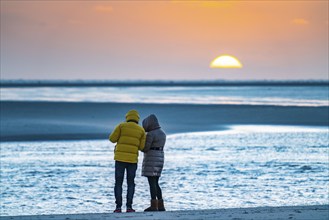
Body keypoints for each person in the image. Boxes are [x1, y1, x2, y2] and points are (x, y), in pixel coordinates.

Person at [109, 109, 146, 213]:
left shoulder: (121, 126)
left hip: (120, 158)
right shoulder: (141, 130)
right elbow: (142, 147)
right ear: (137, 119)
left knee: (118, 183)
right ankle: (129, 207)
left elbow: (112, 139)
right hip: (132, 160)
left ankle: (118, 207)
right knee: (131, 183)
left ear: (127, 117)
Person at [141, 114, 166, 212]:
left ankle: (153, 205)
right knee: (156, 182)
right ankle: (161, 205)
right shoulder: (162, 133)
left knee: (151, 182)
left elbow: (145, 148)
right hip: (160, 157)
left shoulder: (151, 134)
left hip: (152, 158)